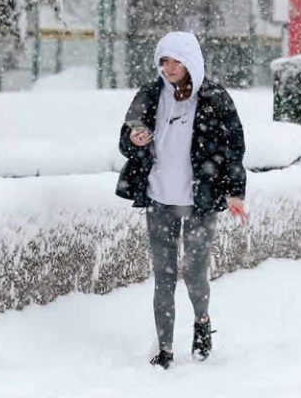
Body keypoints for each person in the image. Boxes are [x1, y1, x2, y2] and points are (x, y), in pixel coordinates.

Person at [115, 31, 248, 369]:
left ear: (192, 62)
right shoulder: (150, 94)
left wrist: (234, 191)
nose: (169, 67)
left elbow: (233, 148)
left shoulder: (214, 97)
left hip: (199, 199)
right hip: (159, 198)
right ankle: (165, 350)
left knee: (194, 271)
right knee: (164, 275)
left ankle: (202, 323)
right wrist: (135, 138)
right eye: (165, 60)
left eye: (177, 60)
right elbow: (126, 141)